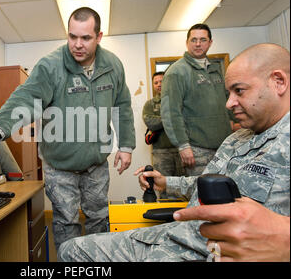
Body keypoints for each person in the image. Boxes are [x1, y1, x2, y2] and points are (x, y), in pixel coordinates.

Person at [57, 43, 289, 262]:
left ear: (278, 82)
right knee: (71, 250)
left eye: (239, 91)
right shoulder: (238, 138)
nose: (229, 103)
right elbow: (205, 188)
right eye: (228, 93)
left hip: (208, 252)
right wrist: (165, 182)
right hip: (179, 237)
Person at [0, 7, 136, 251]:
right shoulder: (50, 66)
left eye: (86, 38)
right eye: (72, 36)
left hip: (96, 164)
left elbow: (122, 104)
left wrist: (126, 145)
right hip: (59, 166)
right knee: (67, 224)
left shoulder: (112, 65)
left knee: (99, 219)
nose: (77, 44)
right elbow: (25, 99)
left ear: (99, 37)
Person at [161, 24, 237, 176]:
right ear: (187, 42)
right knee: (202, 197)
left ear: (210, 42)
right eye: (193, 40)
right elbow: (170, 113)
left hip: (225, 147)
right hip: (197, 150)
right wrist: (183, 146)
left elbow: (228, 102)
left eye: (203, 40)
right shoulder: (177, 72)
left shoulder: (216, 70)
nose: (198, 44)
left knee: (226, 195)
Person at [142, 71, 183, 198]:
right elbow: (151, 122)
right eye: (156, 82)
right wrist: (172, 118)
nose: (159, 84)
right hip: (161, 152)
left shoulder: (179, 100)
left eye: (162, 81)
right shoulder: (150, 104)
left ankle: (182, 216)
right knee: (163, 188)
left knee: (183, 186)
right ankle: (167, 217)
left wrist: (161, 119)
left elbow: (187, 121)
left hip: (182, 150)